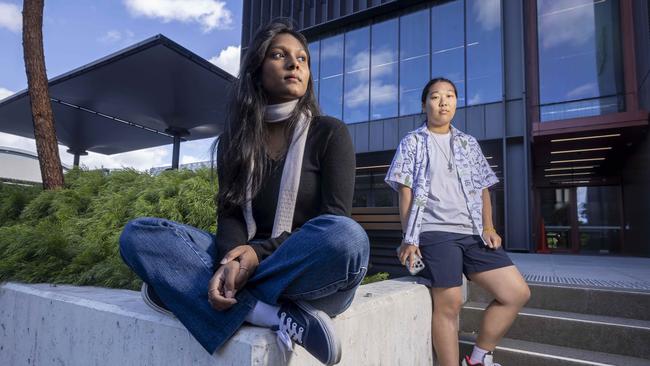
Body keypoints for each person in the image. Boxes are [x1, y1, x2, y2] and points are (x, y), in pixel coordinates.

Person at [119, 19, 369, 366]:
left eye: (302, 59)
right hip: (253, 264)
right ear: (256, 70)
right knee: (138, 236)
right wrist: (231, 261)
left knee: (348, 238)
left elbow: (333, 219)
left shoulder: (329, 133)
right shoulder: (234, 144)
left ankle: (188, 293)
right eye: (280, 55)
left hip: (307, 272)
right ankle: (269, 313)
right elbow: (231, 215)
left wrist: (256, 255)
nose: (294, 64)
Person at [385, 77, 530, 366]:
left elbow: (483, 188)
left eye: (450, 96)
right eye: (436, 96)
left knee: (516, 293)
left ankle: (477, 359)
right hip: (434, 232)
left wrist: (489, 226)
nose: (443, 102)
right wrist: (409, 237)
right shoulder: (413, 141)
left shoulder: (468, 143)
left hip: (474, 232)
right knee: (449, 303)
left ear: (456, 102)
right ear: (425, 104)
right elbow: (405, 191)